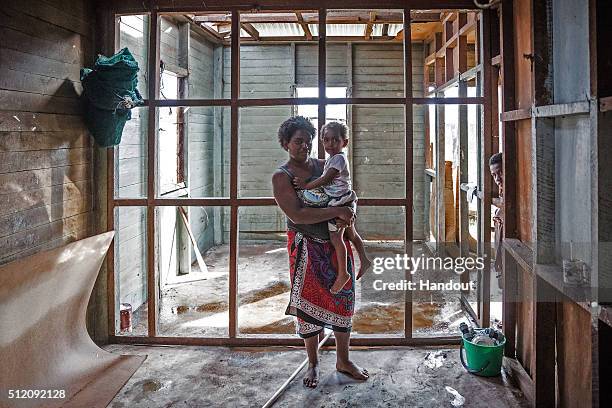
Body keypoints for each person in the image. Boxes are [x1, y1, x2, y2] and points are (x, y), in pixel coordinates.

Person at [272, 116, 369, 388]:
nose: (305, 146)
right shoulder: (283, 176)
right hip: (306, 249)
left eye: (308, 140)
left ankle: (343, 359)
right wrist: (338, 211)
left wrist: (346, 211)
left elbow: (343, 190)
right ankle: (313, 362)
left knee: (343, 298)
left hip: (334, 243)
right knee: (308, 306)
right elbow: (298, 215)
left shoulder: (323, 165)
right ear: (285, 144)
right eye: (298, 141)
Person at [293, 122, 372, 294]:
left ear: (345, 142)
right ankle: (365, 260)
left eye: (335, 140)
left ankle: (343, 274)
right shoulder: (332, 158)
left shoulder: (339, 159)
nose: (330, 144)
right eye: (326, 140)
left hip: (339, 202)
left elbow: (325, 179)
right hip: (346, 199)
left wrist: (305, 186)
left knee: (337, 239)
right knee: (352, 234)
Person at [489, 152, 504, 284]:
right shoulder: (501, 186)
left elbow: (505, 202)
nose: (497, 178)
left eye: (500, 173)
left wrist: (489, 199)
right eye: (494, 175)